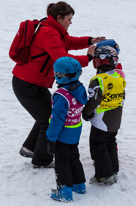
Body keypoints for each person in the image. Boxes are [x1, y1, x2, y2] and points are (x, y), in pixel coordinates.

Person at [12, 1, 105, 168]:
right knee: (49, 119)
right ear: (59, 17)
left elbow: (69, 42)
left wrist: (90, 40)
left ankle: (29, 148)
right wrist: (88, 58)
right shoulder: (49, 33)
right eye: (69, 19)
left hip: (32, 82)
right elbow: (63, 60)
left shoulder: (54, 30)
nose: (71, 22)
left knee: (48, 114)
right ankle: (42, 160)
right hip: (27, 84)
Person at [82, 44, 126, 185]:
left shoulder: (98, 80)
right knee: (110, 143)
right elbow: (122, 97)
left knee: (98, 146)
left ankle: (104, 175)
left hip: (101, 119)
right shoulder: (118, 78)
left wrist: (86, 112)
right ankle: (113, 170)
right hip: (115, 117)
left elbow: (94, 100)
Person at [46, 57, 87, 202]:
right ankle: (79, 184)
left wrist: (51, 138)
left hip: (62, 135)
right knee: (74, 158)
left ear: (60, 76)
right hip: (75, 132)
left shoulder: (61, 96)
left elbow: (57, 120)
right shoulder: (80, 89)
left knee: (62, 162)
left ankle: (64, 191)